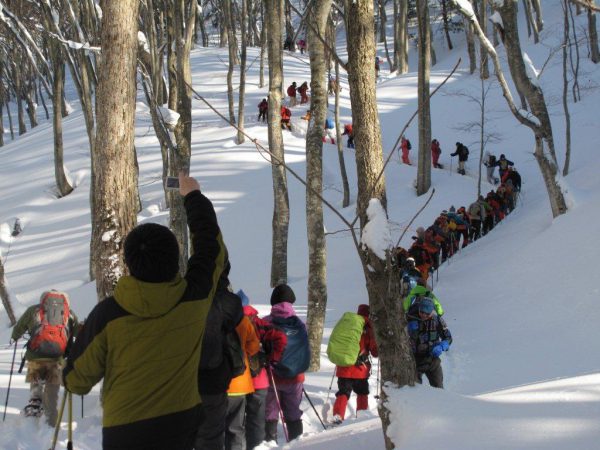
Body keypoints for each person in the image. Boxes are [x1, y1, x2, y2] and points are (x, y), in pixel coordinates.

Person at [63, 173, 228, 450]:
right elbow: (211, 248)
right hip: (181, 424)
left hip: (125, 432)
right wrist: (193, 196)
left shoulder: (108, 315)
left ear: (129, 263)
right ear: (176, 259)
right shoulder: (194, 297)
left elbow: (76, 381)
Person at [11, 290, 79, 426]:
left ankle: (33, 413)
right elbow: (78, 332)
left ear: (43, 300)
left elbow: (18, 328)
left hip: (35, 356)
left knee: (35, 384)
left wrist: (14, 337)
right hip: (56, 359)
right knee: (51, 394)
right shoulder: (69, 314)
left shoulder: (34, 310)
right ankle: (50, 423)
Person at [195, 272, 244, 450]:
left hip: (184, 379)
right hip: (221, 381)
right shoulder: (227, 303)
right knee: (229, 430)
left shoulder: (186, 296)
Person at [263, 284, 309, 443]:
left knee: (270, 413)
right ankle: (298, 443)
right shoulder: (300, 324)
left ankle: (268, 443)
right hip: (295, 377)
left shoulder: (266, 322)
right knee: (293, 413)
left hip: (272, 378)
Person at [332, 304, 378, 424]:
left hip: (343, 367)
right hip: (360, 370)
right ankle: (361, 417)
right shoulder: (368, 328)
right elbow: (374, 351)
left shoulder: (349, 326)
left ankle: (337, 416)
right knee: (362, 393)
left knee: (343, 392)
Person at [225, 315, 260, 450]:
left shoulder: (208, 314)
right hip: (239, 381)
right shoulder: (242, 319)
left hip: (214, 383)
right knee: (235, 429)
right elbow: (254, 346)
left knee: (213, 430)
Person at [242, 296, 270, 450]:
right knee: (257, 422)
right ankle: (257, 447)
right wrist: (270, 357)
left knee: (237, 423)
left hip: (237, 381)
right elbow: (278, 338)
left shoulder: (231, 322)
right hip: (260, 380)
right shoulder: (259, 322)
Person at [406, 298, 452, 388]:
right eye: (422, 312)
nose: (424, 315)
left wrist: (442, 346)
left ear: (432, 312)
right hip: (415, 362)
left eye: (427, 313)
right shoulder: (409, 319)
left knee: (439, 388)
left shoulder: (437, 320)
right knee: (415, 389)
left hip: (432, 360)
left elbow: (448, 337)